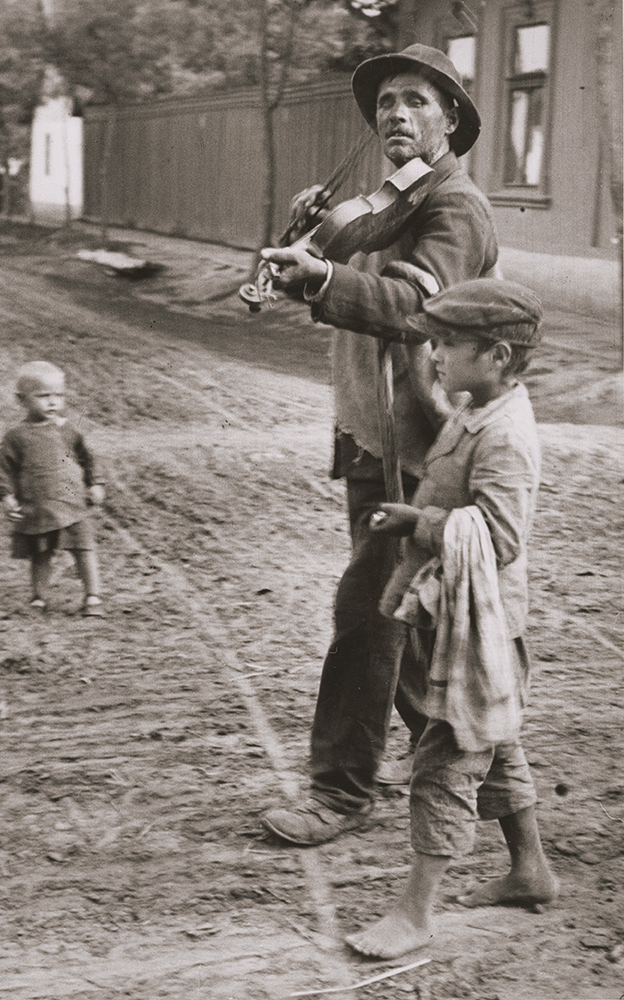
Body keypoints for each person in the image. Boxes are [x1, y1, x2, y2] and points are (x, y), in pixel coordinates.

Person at [260, 44, 500, 846]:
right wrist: (311, 238)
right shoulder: (382, 203)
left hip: (425, 451)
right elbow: (338, 264)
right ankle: (507, 810)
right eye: (385, 103)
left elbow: (406, 306)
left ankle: (338, 792)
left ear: (449, 120)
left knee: (368, 612)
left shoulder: (454, 208)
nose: (394, 114)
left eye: (415, 102)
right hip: (372, 437)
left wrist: (322, 278)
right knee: (413, 636)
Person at [343, 278, 559, 959]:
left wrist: (419, 520)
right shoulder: (476, 407)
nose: (434, 353)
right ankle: (530, 871)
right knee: (492, 742)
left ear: (495, 356)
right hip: (457, 614)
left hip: (484, 626)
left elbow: (497, 539)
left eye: (448, 343)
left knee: (444, 763)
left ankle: (414, 914)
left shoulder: (506, 438)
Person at [0, 361, 106, 616]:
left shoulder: (68, 430)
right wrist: (6, 498)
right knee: (41, 554)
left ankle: (93, 596)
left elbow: (87, 458)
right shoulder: (16, 436)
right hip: (39, 506)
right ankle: (39, 597)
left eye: (58, 396)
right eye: (43, 396)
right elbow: (0, 469)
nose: (52, 403)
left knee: (84, 548)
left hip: (73, 503)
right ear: (22, 400)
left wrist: (95, 484)